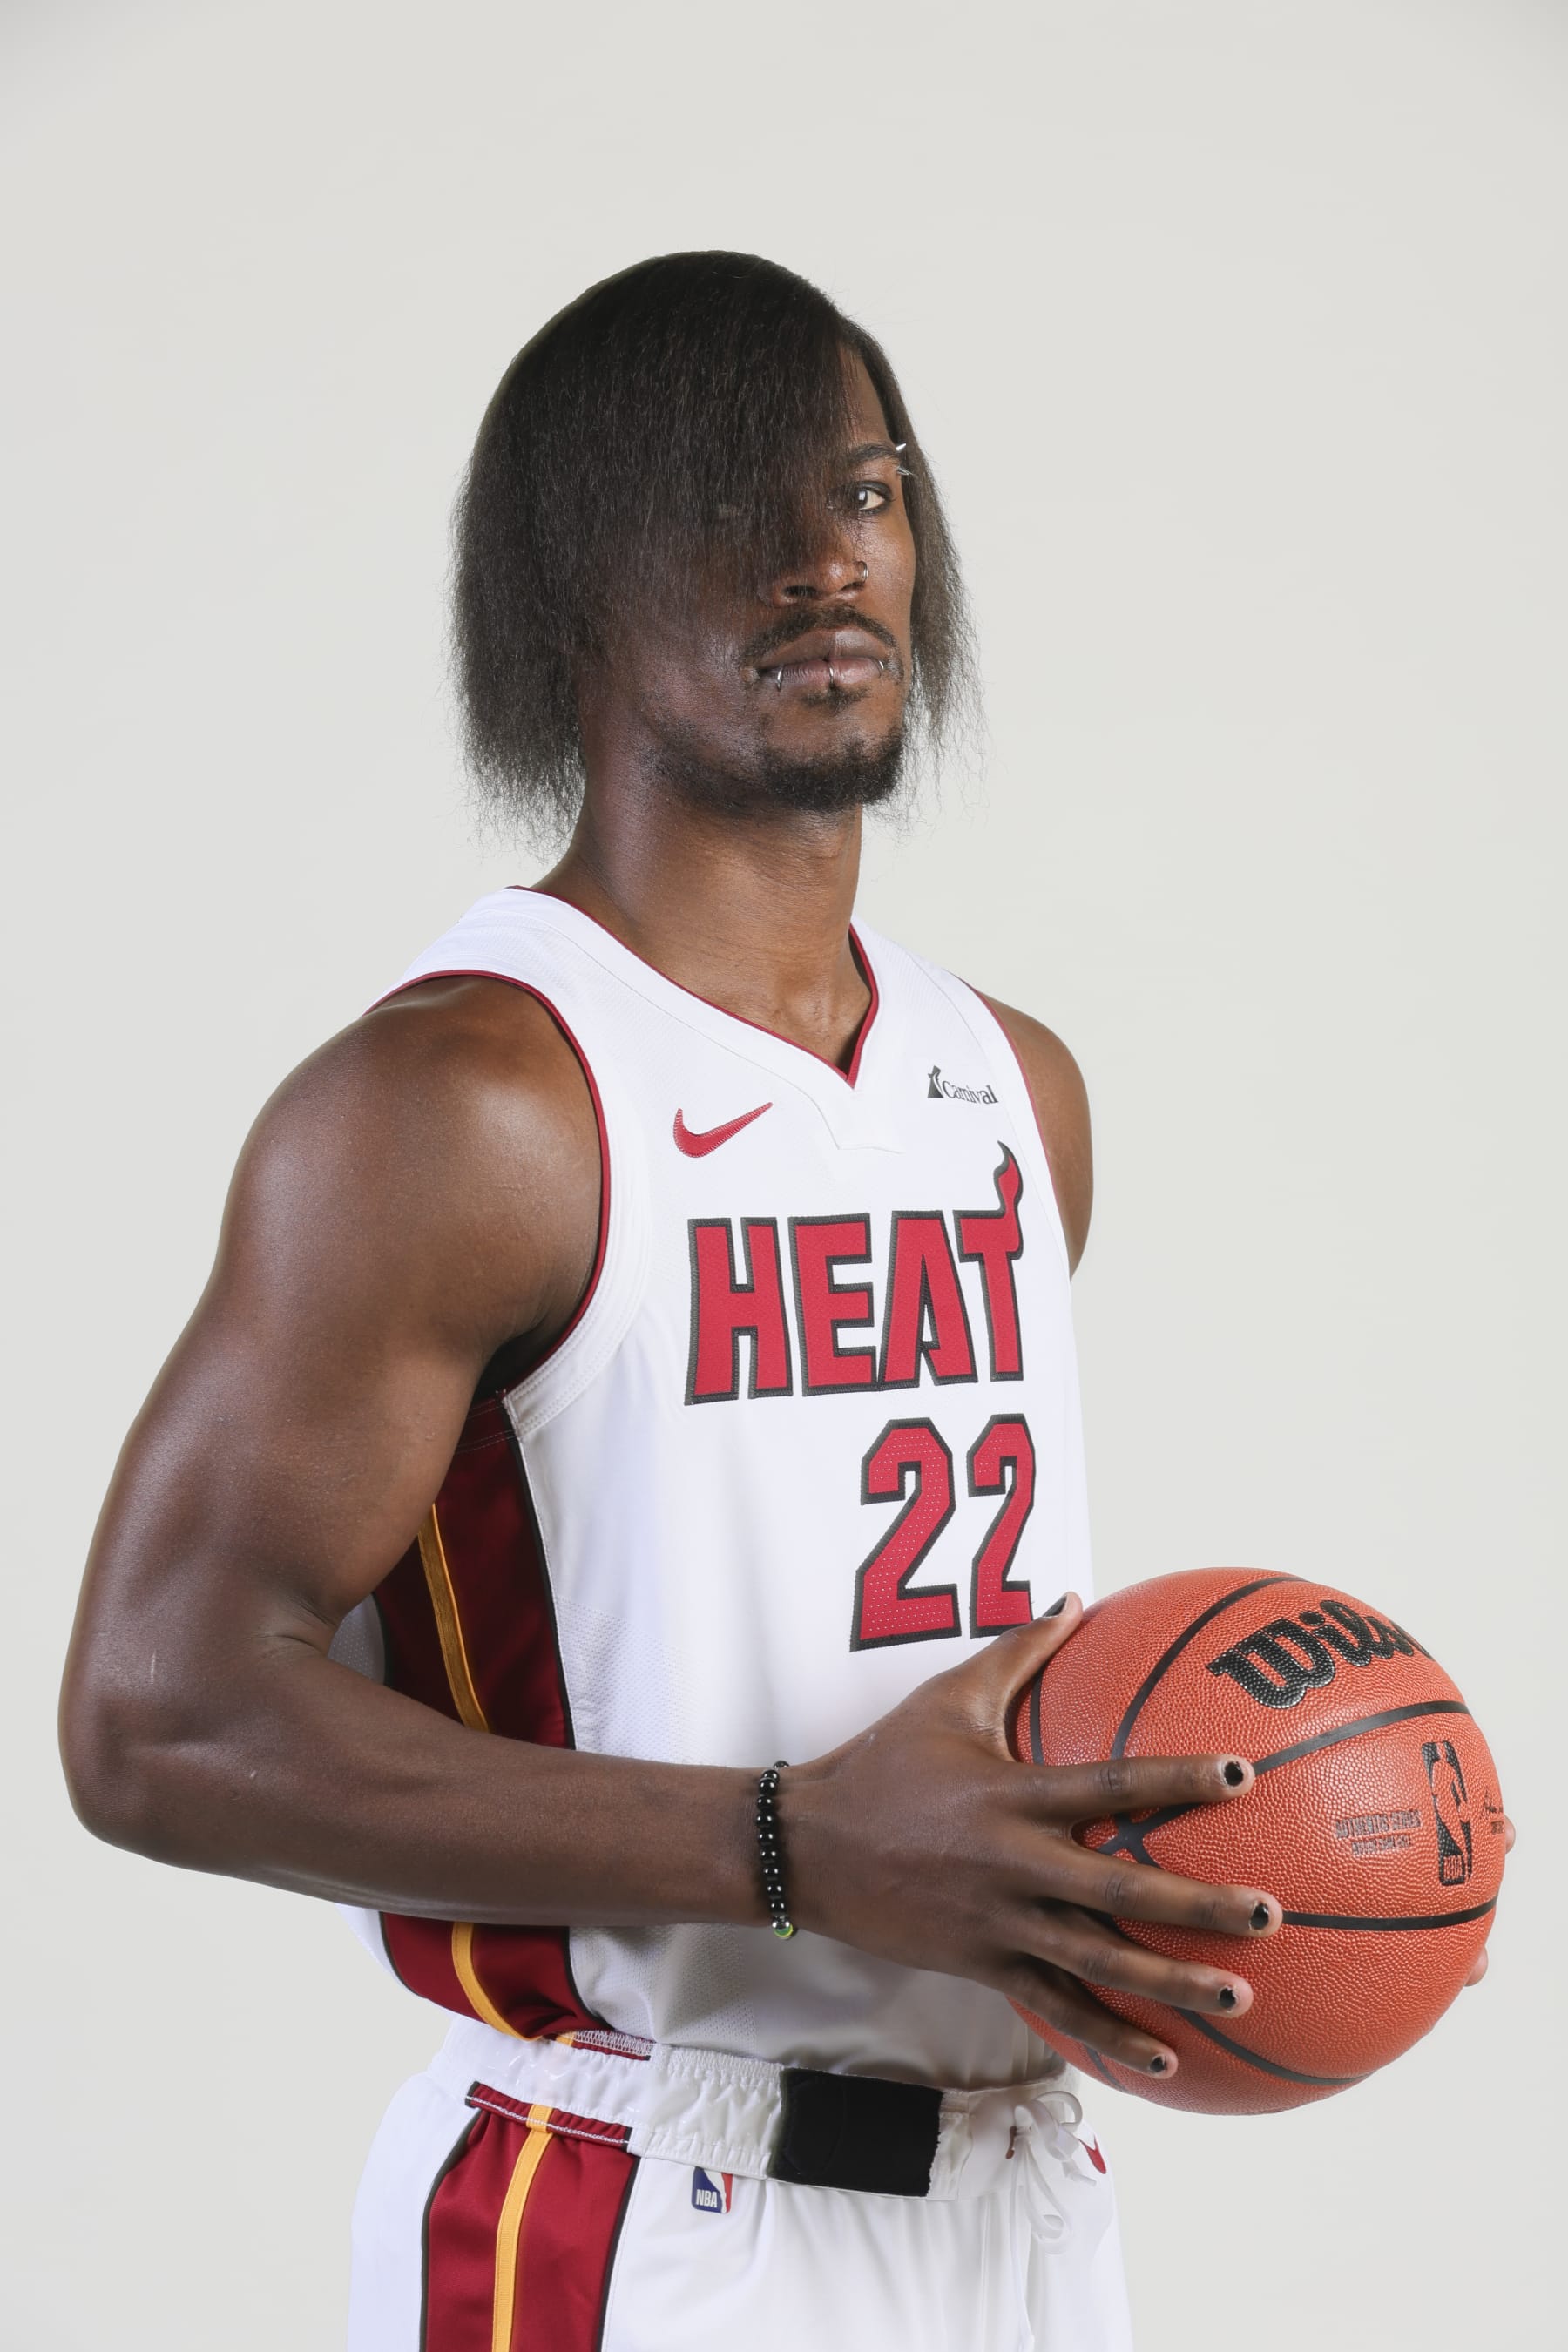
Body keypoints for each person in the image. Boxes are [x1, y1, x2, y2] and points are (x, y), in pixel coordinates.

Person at [58, 252, 1389, 2349]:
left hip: (1030, 2215)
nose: (822, 556)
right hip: (634, 2212)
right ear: (573, 587)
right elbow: (156, 1717)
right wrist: (786, 1847)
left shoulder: (1013, 1092)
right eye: (731, 501)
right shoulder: (466, 1102)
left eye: (867, 491)